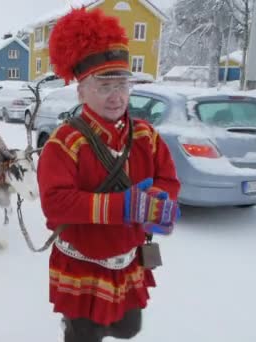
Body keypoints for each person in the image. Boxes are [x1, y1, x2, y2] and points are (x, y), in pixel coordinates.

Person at [37, 8, 181, 342]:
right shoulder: (64, 141)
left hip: (128, 258)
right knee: (85, 336)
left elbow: (169, 180)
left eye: (122, 84)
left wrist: (160, 200)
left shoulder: (146, 135)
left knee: (128, 328)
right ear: (81, 91)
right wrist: (124, 207)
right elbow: (56, 204)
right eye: (104, 86)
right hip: (81, 261)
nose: (116, 96)